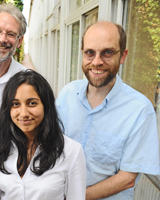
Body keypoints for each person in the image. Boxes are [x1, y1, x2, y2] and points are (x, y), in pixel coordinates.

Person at [56, 21, 160, 199]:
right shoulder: (68, 94)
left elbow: (127, 178)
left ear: (123, 56)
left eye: (107, 53)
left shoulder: (140, 110)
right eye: (90, 53)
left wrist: (73, 197)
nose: (96, 62)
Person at [0, 70, 86, 200]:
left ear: (46, 105)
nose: (23, 113)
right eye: (15, 104)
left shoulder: (72, 151)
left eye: (32, 103)